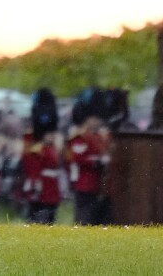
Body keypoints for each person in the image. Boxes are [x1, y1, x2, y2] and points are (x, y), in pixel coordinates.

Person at [66, 91, 111, 225]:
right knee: (84, 217)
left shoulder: (101, 136)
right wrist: (97, 162)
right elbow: (78, 158)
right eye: (95, 118)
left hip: (99, 184)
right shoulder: (80, 137)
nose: (98, 121)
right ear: (87, 118)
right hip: (85, 184)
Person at [21, 88, 62, 225]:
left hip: (51, 188)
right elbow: (29, 162)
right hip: (40, 187)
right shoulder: (32, 141)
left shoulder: (50, 145)